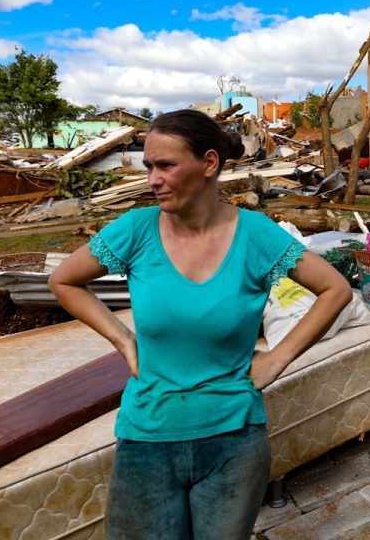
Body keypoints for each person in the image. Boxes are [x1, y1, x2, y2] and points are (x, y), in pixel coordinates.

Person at [48, 109, 352, 539]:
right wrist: (123, 340)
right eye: (149, 166)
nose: (153, 178)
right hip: (147, 438)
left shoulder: (255, 234)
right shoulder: (135, 230)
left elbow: (335, 290)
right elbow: (63, 280)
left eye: (166, 165)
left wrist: (277, 359)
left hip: (234, 441)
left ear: (209, 163)